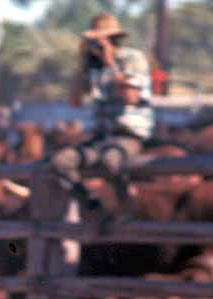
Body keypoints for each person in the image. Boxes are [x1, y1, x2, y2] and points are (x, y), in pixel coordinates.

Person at [49, 12, 154, 225]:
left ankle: (127, 206)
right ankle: (91, 206)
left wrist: (111, 62)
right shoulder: (94, 68)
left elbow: (130, 97)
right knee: (60, 162)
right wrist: (82, 66)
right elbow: (74, 102)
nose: (96, 46)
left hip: (128, 134)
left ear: (113, 40)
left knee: (111, 159)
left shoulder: (132, 59)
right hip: (100, 136)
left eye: (99, 41)